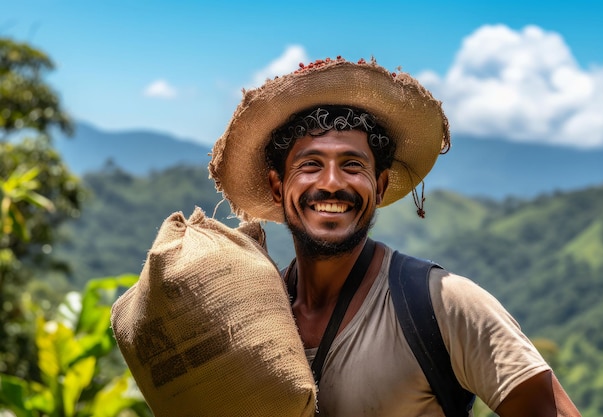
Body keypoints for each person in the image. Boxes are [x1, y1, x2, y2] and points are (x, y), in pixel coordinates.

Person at [209, 56, 580, 416]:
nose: (333, 183)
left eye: (353, 165)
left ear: (381, 186)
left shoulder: (443, 305)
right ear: (277, 187)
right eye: (310, 165)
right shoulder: (255, 316)